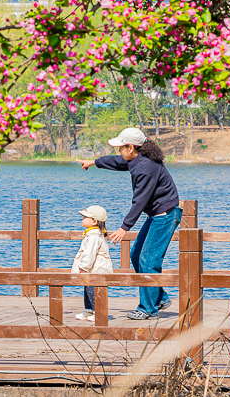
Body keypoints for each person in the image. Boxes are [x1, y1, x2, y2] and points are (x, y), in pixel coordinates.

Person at [75, 128, 180, 320]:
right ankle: (160, 297)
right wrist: (94, 162)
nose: (119, 152)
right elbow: (117, 162)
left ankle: (149, 309)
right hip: (156, 215)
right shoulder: (137, 159)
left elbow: (139, 201)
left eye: (121, 148)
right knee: (137, 254)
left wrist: (125, 228)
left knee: (148, 259)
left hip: (165, 215)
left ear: (131, 147)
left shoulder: (146, 168)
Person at [71, 205, 114, 322]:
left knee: (93, 289)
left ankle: (97, 311)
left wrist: (84, 266)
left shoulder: (94, 236)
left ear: (94, 221)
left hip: (95, 268)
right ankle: (89, 310)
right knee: (87, 288)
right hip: (92, 268)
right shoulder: (92, 233)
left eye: (85, 217)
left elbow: (90, 253)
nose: (82, 219)